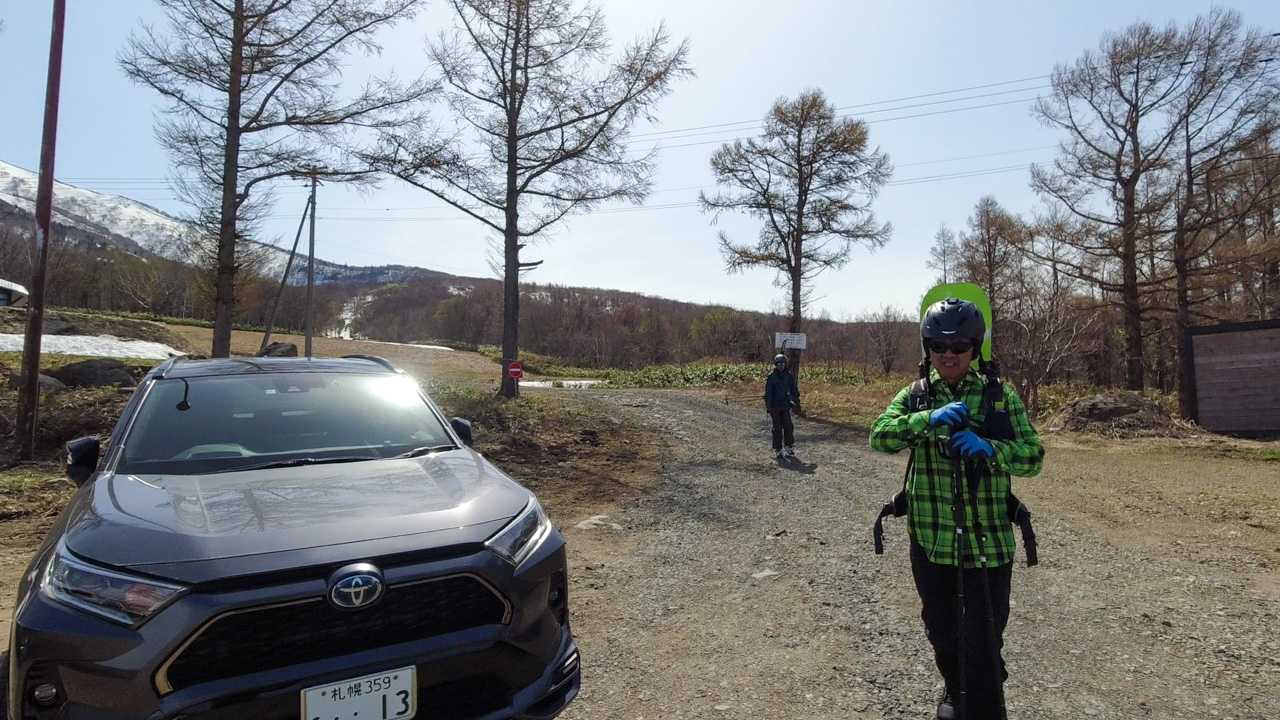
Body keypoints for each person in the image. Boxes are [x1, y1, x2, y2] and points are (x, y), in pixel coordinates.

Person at [868, 298, 1044, 720]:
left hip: (988, 545)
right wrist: (927, 420)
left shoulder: (999, 396)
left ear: (975, 348)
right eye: (939, 346)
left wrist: (992, 448)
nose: (949, 355)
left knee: (985, 636)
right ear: (927, 348)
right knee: (942, 632)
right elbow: (879, 437)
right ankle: (956, 687)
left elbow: (1033, 457)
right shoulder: (915, 396)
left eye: (960, 346)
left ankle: (981, 703)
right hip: (932, 543)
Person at [763, 353, 801, 461]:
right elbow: (768, 393)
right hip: (775, 406)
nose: (781, 366)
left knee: (788, 426)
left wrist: (795, 400)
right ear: (775, 365)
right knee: (777, 428)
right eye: (779, 364)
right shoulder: (771, 377)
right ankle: (778, 449)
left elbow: (793, 390)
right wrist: (768, 407)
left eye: (783, 364)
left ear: (785, 364)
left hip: (785, 405)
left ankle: (789, 447)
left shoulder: (788, 376)